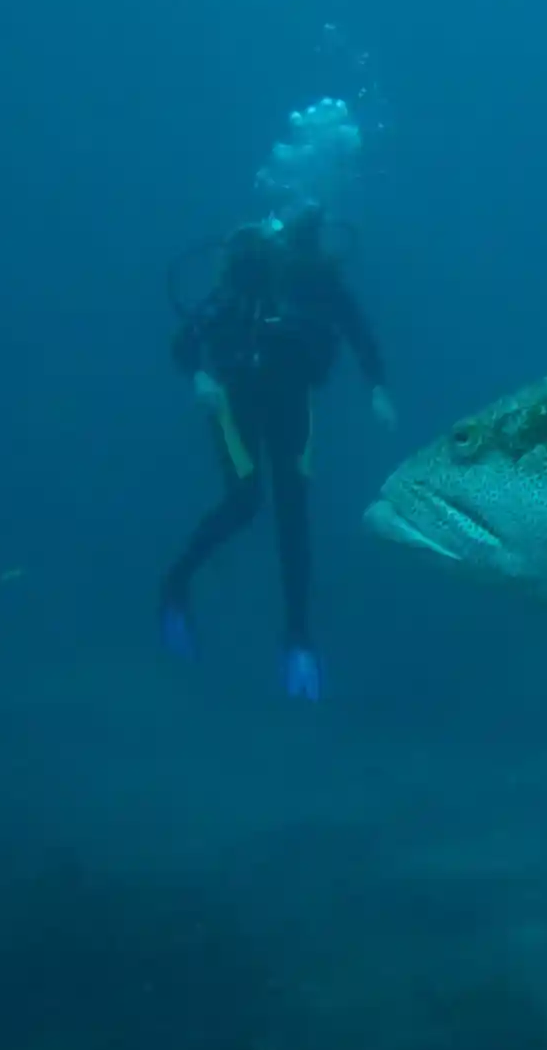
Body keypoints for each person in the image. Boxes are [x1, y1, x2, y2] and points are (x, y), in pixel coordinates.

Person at [158, 203, 397, 701]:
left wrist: (377, 387)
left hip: (293, 402)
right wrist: (201, 378)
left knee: (294, 516)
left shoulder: (322, 283)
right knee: (245, 502)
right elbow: (187, 340)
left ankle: (298, 639)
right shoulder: (250, 270)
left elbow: (358, 332)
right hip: (235, 398)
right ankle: (175, 585)